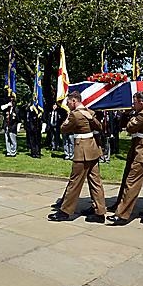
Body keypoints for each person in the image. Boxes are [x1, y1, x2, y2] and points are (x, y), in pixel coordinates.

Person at [48, 91, 106, 223]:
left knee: (75, 182)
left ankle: (65, 211)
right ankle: (99, 211)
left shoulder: (75, 115)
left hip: (82, 151)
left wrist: (69, 116)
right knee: (96, 182)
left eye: (68, 102)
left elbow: (63, 128)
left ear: (74, 101)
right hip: (93, 150)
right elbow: (100, 126)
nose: (67, 104)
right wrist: (91, 118)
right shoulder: (89, 112)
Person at [107, 91, 143, 226]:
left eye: (134, 102)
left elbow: (130, 127)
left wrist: (131, 117)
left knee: (132, 183)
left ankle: (122, 215)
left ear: (141, 102)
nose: (132, 104)